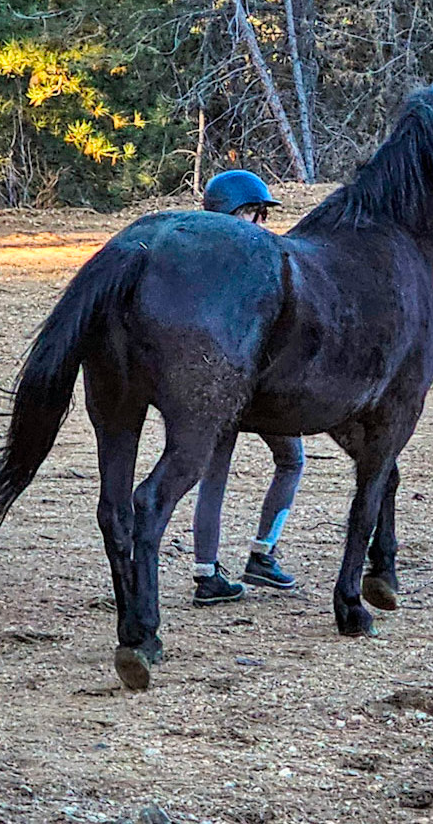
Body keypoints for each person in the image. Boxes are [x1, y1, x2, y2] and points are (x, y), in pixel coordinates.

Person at [191, 170, 305, 604]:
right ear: (229, 215)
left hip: (218, 384)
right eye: (252, 214)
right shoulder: (258, 261)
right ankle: (261, 555)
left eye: (261, 214)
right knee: (290, 460)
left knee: (213, 473)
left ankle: (208, 572)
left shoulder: (197, 259)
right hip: (260, 387)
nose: (260, 224)